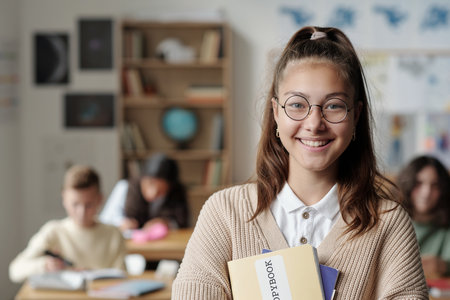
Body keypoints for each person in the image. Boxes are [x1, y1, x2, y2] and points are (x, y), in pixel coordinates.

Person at [172, 26, 428, 299]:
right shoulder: (224, 213)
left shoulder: (389, 223)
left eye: (334, 105)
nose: (314, 124)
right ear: (276, 114)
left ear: (356, 116)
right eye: (297, 105)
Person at [9, 165, 126, 283]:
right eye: (75, 204)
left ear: (100, 199)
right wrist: (44, 265)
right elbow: (15, 270)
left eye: (89, 204)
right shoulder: (53, 231)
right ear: (64, 199)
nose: (82, 212)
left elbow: (121, 278)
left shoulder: (114, 234)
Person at [99, 153, 189, 231]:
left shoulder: (176, 194)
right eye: (150, 183)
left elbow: (184, 223)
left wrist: (167, 223)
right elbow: (104, 221)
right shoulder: (125, 187)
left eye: (160, 191)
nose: (152, 193)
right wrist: (121, 223)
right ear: (142, 177)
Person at [397, 155, 450, 278]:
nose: (426, 193)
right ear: (408, 183)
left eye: (435, 185)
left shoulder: (446, 226)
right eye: (419, 183)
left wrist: (442, 266)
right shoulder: (393, 219)